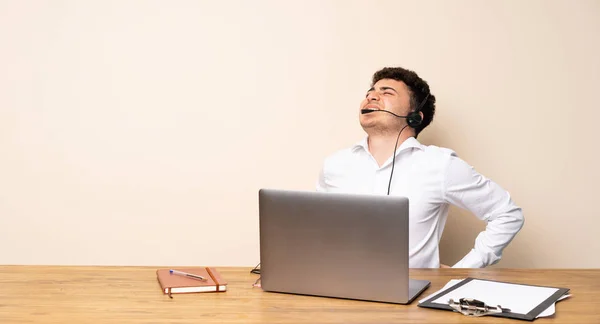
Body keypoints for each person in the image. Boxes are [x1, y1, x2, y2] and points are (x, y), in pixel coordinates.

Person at [316, 67, 524, 268]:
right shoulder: (335, 164)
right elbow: (317, 229)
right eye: (370, 93)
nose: (371, 97)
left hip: (411, 298)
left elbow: (507, 214)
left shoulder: (440, 164)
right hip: (338, 293)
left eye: (386, 92)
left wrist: (465, 269)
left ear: (415, 115)